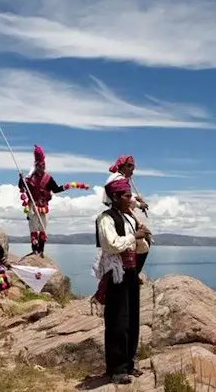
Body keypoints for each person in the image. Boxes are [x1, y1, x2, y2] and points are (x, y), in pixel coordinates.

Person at [94, 178, 150, 384]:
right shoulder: (105, 218)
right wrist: (134, 236)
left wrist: (144, 239)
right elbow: (111, 245)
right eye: (126, 196)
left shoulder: (128, 218)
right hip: (117, 275)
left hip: (130, 273)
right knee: (117, 320)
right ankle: (115, 368)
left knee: (132, 319)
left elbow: (139, 248)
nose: (130, 199)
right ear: (115, 197)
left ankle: (128, 363)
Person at [103, 155, 151, 278]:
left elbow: (126, 197)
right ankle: (133, 274)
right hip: (121, 214)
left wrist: (135, 198)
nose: (132, 171)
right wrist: (140, 204)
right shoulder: (118, 179)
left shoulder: (117, 178)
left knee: (140, 243)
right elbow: (124, 198)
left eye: (133, 167)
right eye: (130, 167)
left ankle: (132, 273)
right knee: (143, 243)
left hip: (122, 213)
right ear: (124, 167)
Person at [17, 145, 69, 257]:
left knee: (43, 228)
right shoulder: (30, 178)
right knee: (33, 227)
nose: (42, 167)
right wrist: (21, 179)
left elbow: (55, 189)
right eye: (40, 165)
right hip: (32, 206)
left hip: (43, 206)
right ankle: (35, 249)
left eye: (44, 165)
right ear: (36, 166)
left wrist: (66, 187)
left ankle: (41, 250)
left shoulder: (48, 178)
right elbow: (22, 187)